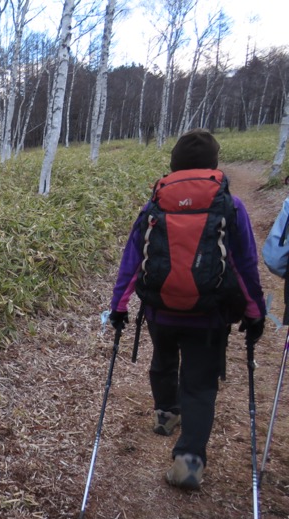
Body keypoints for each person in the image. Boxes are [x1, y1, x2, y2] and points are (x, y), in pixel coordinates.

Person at [108, 128, 266, 490]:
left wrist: (119, 306)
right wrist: (254, 312)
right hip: (209, 316)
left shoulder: (154, 205)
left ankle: (165, 413)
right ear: (213, 163)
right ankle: (189, 461)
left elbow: (132, 261)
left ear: (174, 163)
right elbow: (244, 266)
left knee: (163, 359)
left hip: (160, 309)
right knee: (199, 384)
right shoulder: (230, 206)